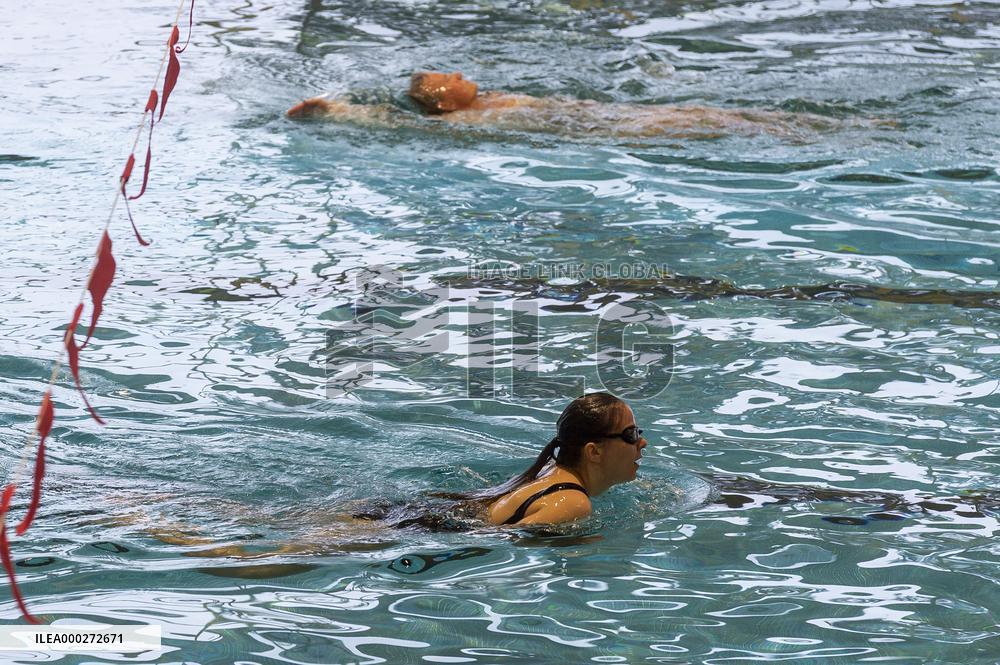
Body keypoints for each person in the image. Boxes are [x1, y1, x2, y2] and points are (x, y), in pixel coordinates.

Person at [286, 71, 840, 139]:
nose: (456, 73)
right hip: (600, 128)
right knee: (707, 122)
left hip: (595, 116)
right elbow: (397, 123)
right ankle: (802, 133)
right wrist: (334, 111)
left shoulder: (491, 97)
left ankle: (807, 126)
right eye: (446, 77)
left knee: (715, 115)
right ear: (445, 101)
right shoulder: (467, 118)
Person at [434, 391, 647, 526]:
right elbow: (496, 540)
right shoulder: (573, 502)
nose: (642, 442)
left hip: (442, 514)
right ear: (594, 452)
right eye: (631, 435)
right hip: (437, 532)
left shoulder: (551, 470)